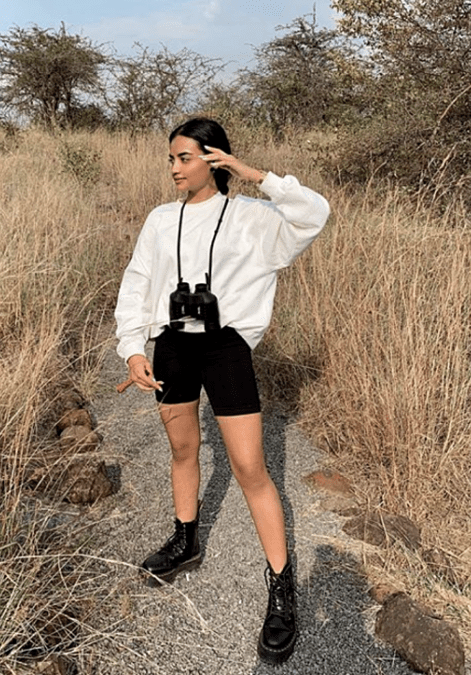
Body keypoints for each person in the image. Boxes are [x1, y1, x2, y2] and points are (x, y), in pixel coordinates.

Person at [114, 117, 330, 665]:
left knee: (249, 468)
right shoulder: (160, 220)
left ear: (213, 160)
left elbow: (315, 213)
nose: (174, 169)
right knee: (183, 450)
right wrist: (134, 349)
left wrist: (257, 175)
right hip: (172, 347)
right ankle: (186, 540)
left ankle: (282, 589)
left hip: (226, 349)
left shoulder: (254, 218)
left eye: (184, 158)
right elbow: (137, 281)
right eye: (170, 159)